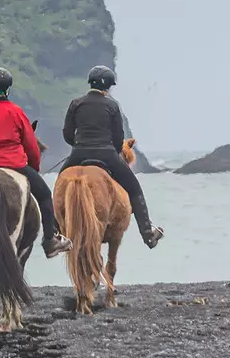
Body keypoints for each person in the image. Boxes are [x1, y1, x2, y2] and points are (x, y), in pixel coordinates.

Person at [0, 66, 71, 260]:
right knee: (44, 195)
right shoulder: (16, 112)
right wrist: (33, 167)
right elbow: (31, 145)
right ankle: (50, 241)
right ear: (7, 89)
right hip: (14, 164)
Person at [57, 65, 164, 247]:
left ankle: (55, 234)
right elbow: (117, 139)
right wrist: (111, 151)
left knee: (59, 186)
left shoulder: (76, 103)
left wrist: (79, 145)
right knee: (135, 189)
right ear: (107, 86)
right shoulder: (112, 105)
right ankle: (148, 233)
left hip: (79, 153)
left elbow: (68, 133)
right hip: (107, 154)